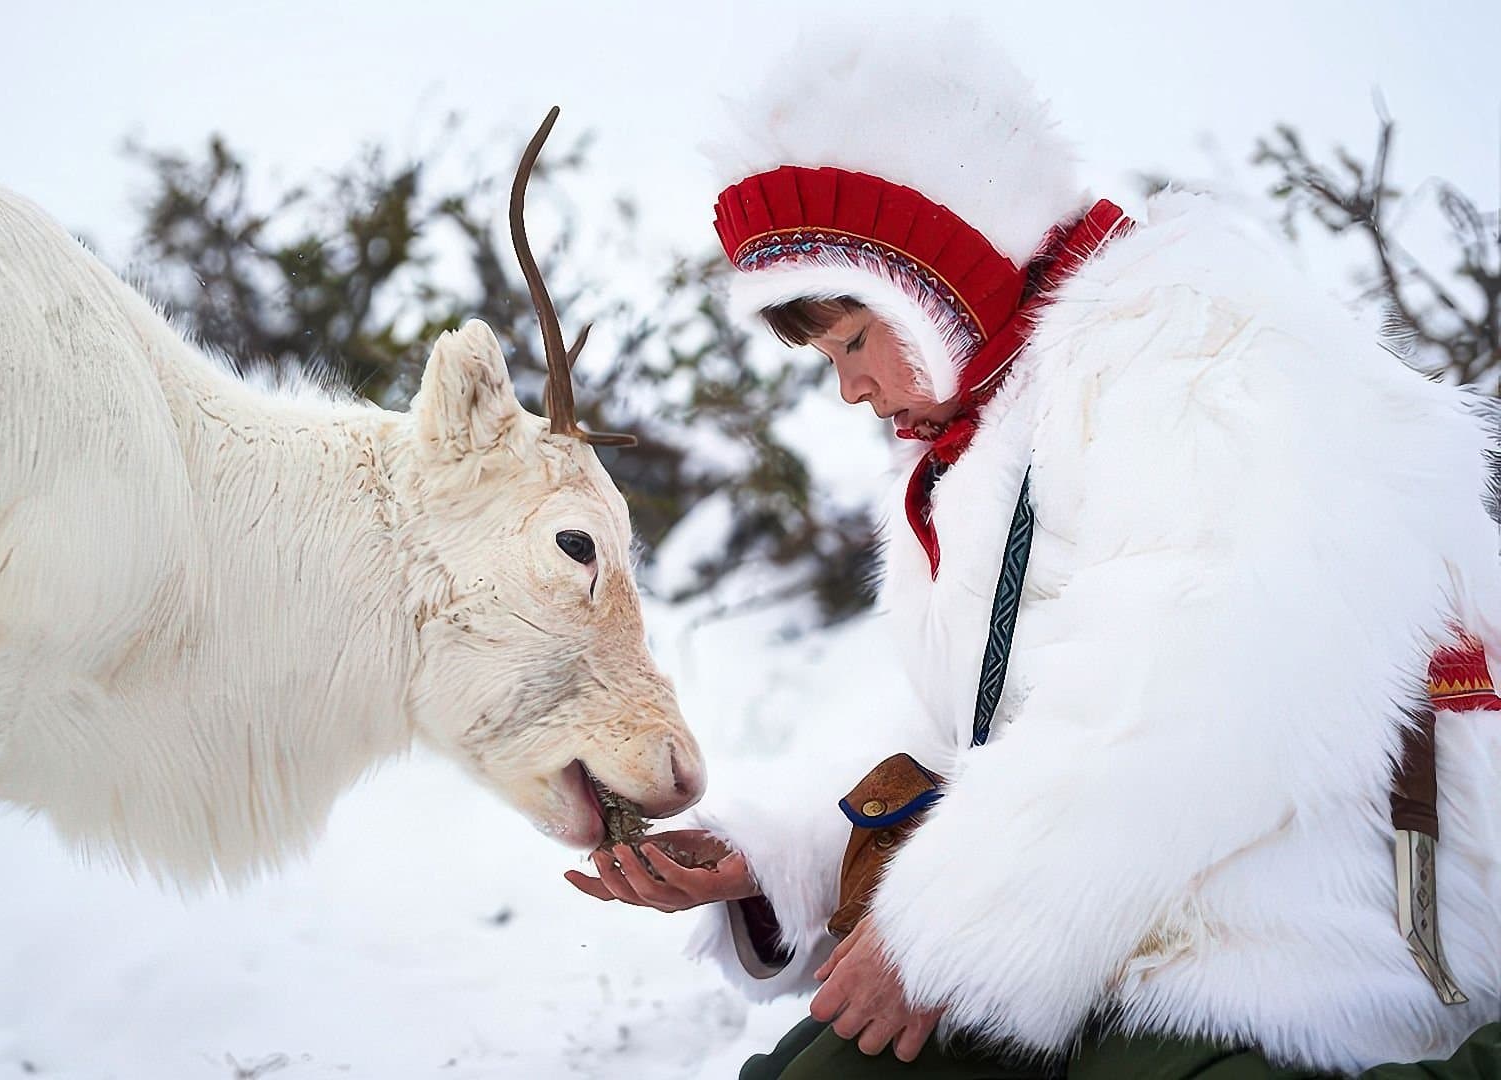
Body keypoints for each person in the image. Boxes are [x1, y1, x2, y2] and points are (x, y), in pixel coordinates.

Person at [566, 20, 1501, 1080]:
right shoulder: (990, 429)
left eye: (855, 338)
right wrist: (779, 856)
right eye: (827, 355)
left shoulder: (1199, 349)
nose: (850, 388)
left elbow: (1196, 705)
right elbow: (981, 733)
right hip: (1101, 923)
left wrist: (942, 931)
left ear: (940, 264)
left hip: (1292, 940)